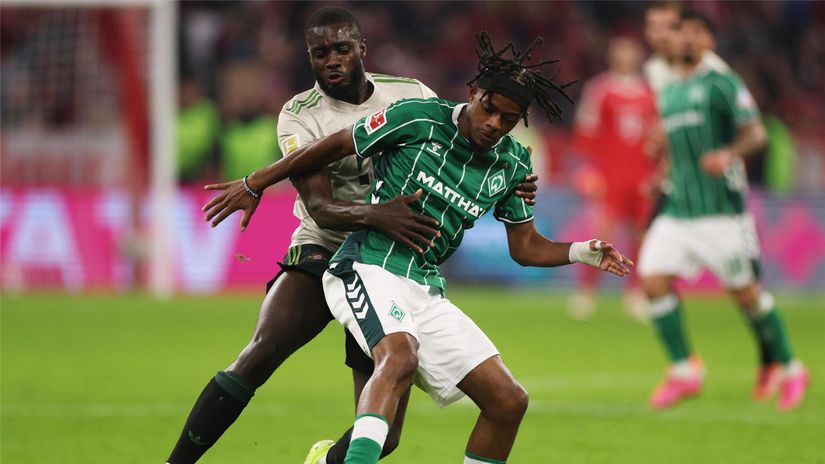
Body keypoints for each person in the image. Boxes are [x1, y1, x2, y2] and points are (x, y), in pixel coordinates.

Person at [203, 30, 633, 464]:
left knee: (508, 401)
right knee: (399, 357)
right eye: (490, 109)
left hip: (425, 286)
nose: (494, 125)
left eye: (508, 119)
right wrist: (254, 182)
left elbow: (525, 247)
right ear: (473, 92)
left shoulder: (514, 163)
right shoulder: (417, 116)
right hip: (367, 264)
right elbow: (328, 148)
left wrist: (581, 251)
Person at [166, 8, 539, 464]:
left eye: (342, 49)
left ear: (362, 48)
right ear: (309, 58)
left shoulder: (409, 94)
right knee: (260, 353)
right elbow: (320, 206)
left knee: (387, 434)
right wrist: (376, 214)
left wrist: (512, 174)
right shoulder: (299, 115)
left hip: (391, 259)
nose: (333, 60)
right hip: (324, 244)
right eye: (320, 53)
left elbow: (463, 147)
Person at [638, 10, 809, 411]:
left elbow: (756, 133)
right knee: (652, 279)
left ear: (710, 42)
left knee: (747, 295)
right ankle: (684, 370)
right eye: (683, 33)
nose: (687, 40)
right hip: (679, 210)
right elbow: (675, 143)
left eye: (697, 33)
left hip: (720, 214)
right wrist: (661, 163)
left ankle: (790, 366)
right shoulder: (671, 90)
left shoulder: (721, 82)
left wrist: (728, 153)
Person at [567, 36, 658, 321]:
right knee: (603, 235)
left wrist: (658, 170)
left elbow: (657, 134)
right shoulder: (601, 89)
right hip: (610, 173)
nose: (625, 55)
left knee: (641, 235)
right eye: (620, 49)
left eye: (630, 49)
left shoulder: (649, 92)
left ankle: (636, 293)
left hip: (641, 174)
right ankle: (586, 292)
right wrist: (587, 169)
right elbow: (586, 130)